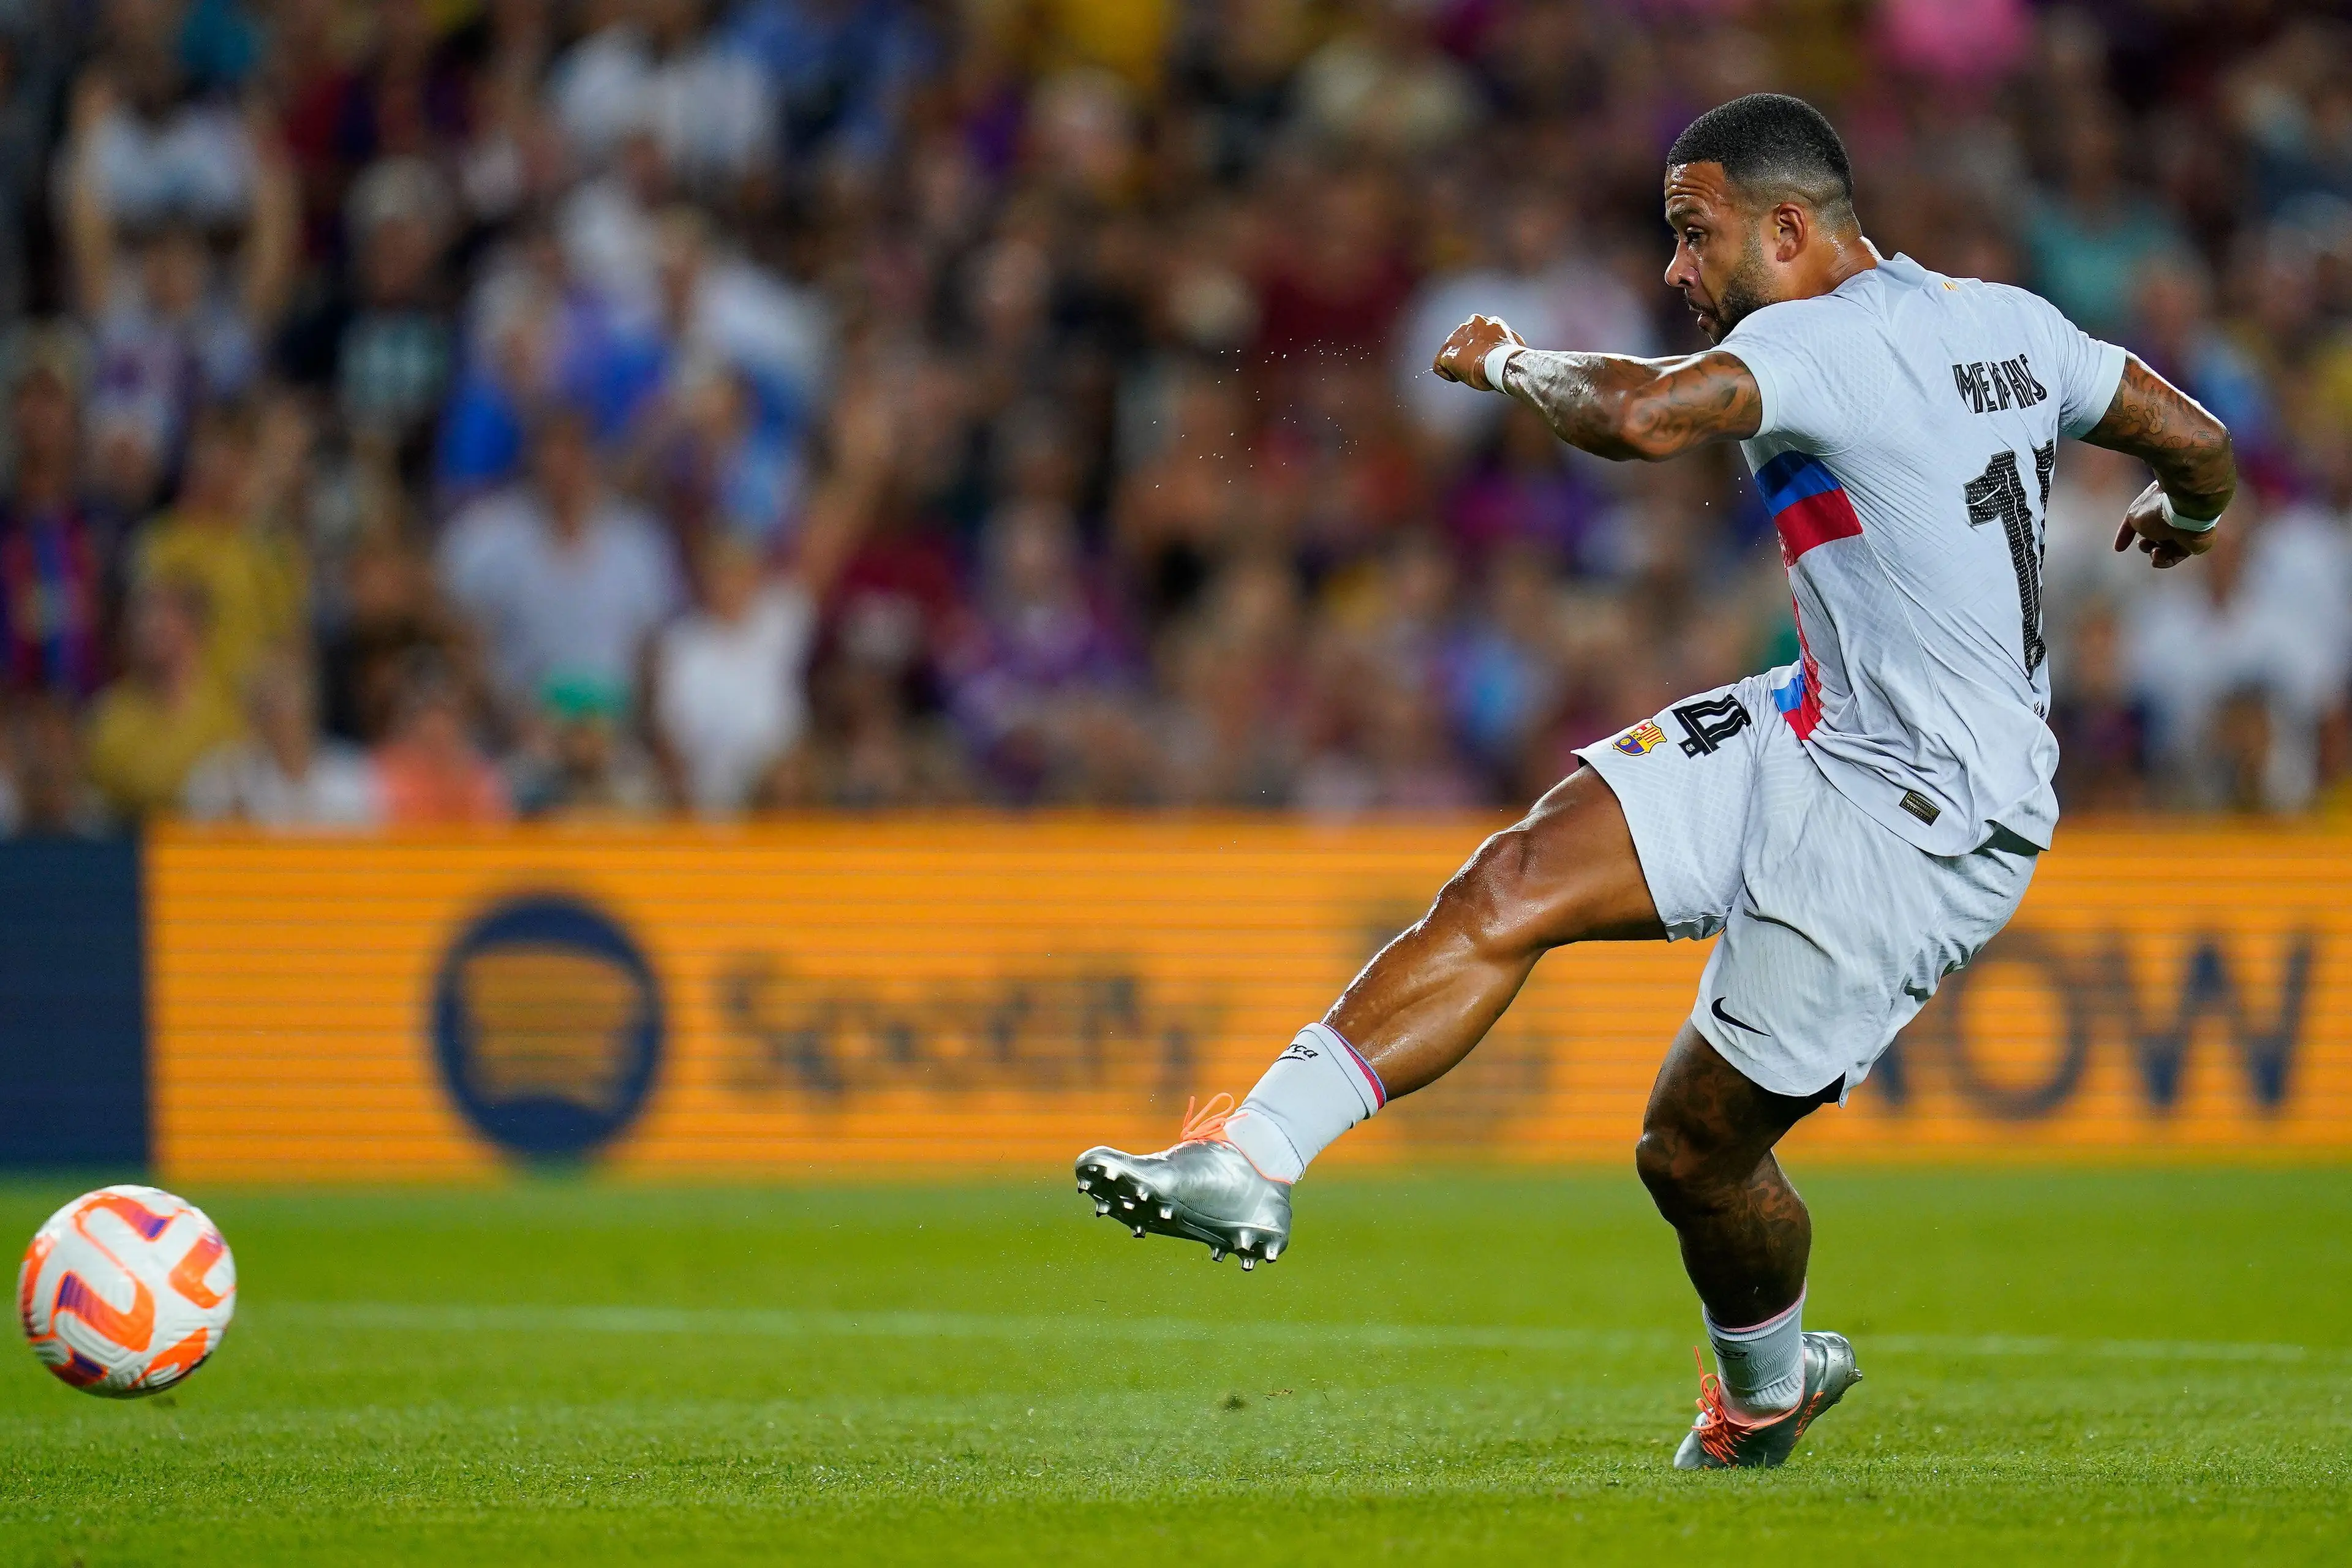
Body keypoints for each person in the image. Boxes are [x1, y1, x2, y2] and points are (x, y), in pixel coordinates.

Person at [1073, 94, 2236, 1470]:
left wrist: (1508, 361)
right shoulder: (2014, 322)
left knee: (1693, 1153)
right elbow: (2199, 441)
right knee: (1511, 877)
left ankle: (1764, 1397)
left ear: (1791, 227)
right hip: (1817, 723)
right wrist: (2197, 514)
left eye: (1696, 235)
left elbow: (1635, 417)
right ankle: (1252, 1157)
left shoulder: (1815, 339)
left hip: (1919, 826)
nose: (1679, 271)